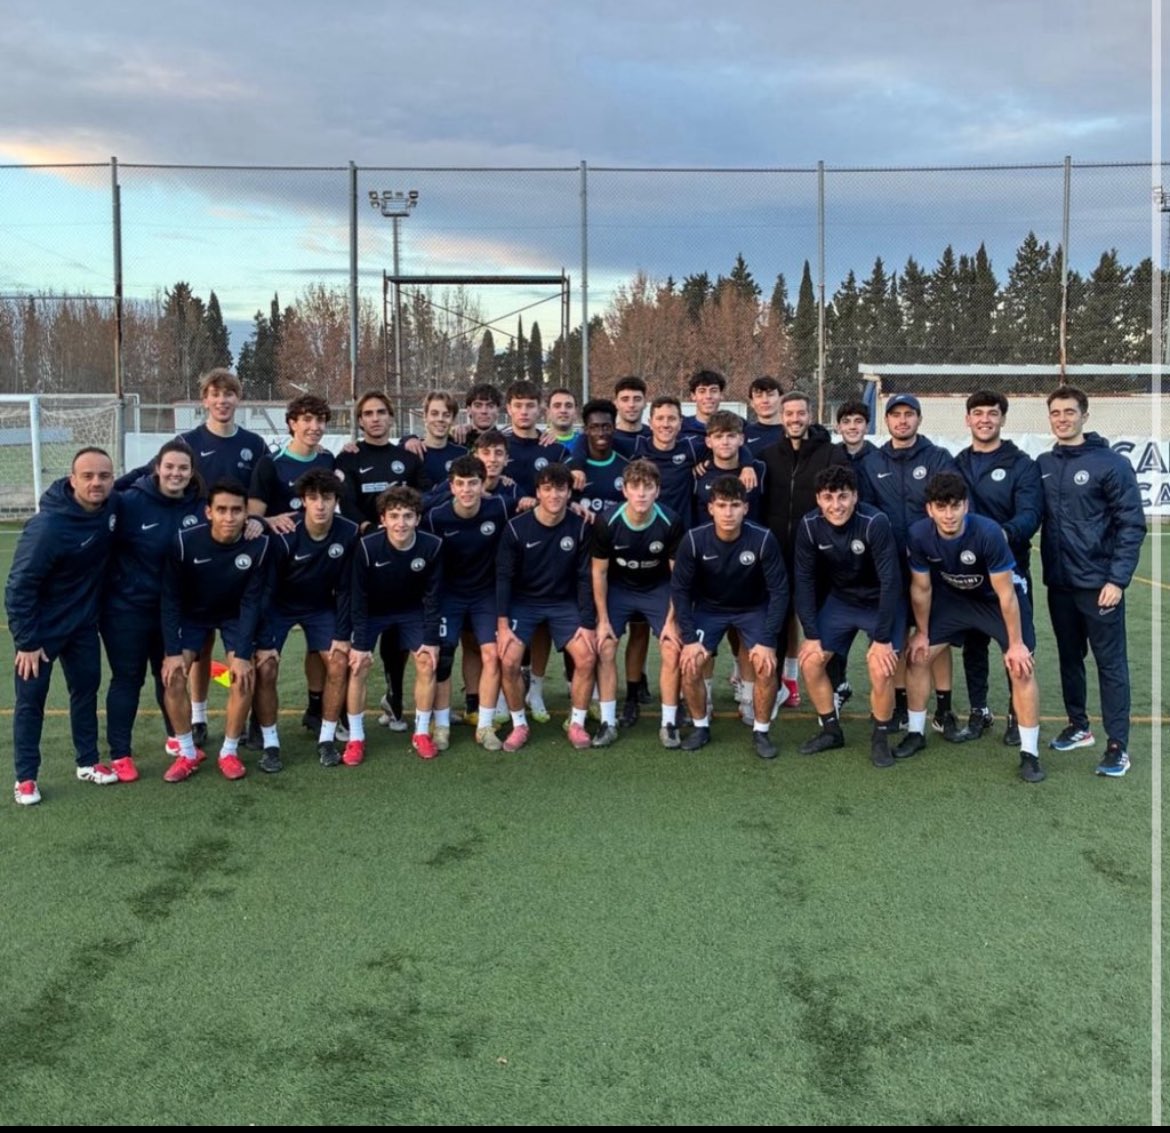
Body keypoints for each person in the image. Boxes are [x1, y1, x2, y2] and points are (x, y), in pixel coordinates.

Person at [897, 473, 1046, 783]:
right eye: (942, 507)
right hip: (955, 601)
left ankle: (1030, 754)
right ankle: (915, 732)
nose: (949, 515)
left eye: (955, 506)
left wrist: (1016, 643)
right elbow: (921, 589)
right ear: (930, 509)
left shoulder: (988, 533)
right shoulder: (919, 534)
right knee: (918, 655)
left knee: (1022, 668)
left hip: (994, 602)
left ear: (966, 506)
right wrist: (922, 632)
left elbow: (1006, 594)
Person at [1037, 385, 1146, 777]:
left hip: (1100, 585)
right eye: (1056, 413)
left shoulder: (1110, 464)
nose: (1062, 419)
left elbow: (1132, 525)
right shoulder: (1044, 464)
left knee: (1110, 664)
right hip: (1060, 584)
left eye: (1069, 412)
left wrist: (1117, 580)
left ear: (1085, 415)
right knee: (1069, 656)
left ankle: (1117, 745)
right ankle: (1079, 725)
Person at [8, 448, 121, 805]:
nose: (96, 482)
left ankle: (87, 762)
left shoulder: (111, 508)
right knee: (31, 702)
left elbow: (148, 476)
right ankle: (26, 777)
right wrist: (27, 640)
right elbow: (19, 585)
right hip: (40, 633)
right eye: (87, 476)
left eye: (103, 475)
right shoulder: (48, 527)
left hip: (83, 625)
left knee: (86, 691)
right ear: (72, 480)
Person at [101, 439, 206, 782]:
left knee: (170, 677)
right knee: (128, 680)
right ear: (157, 468)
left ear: (192, 474)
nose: (176, 473)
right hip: (127, 610)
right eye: (170, 466)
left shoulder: (199, 507)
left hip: (173, 612)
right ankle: (120, 754)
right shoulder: (129, 502)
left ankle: (177, 738)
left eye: (183, 468)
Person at [856, 393, 960, 735]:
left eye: (909, 414)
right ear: (886, 421)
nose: (902, 420)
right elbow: (866, 513)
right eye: (896, 415)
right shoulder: (872, 463)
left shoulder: (938, 457)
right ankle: (900, 704)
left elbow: (951, 505)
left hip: (934, 564)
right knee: (898, 634)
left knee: (935, 635)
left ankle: (944, 708)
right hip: (890, 568)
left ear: (919, 419)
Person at [160, 480, 274, 782]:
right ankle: (187, 752)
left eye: (236, 510)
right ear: (208, 512)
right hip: (193, 615)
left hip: (235, 616)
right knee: (172, 676)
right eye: (221, 510)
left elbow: (252, 602)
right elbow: (170, 599)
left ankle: (229, 751)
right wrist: (172, 652)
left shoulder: (259, 545)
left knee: (244, 675)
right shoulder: (184, 542)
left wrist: (242, 654)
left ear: (246, 513)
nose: (229, 517)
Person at [793, 466, 903, 767]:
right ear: (818, 499)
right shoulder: (810, 524)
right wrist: (812, 635)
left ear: (855, 496)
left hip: (880, 601)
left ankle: (880, 737)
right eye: (828, 497)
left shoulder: (874, 522)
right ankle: (831, 730)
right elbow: (803, 580)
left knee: (880, 667)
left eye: (843, 496)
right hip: (842, 601)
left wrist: (881, 639)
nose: (836, 505)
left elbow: (891, 581)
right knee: (810, 661)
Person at [671, 476, 788, 758]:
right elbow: (680, 590)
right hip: (710, 609)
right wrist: (688, 638)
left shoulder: (762, 539)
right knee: (689, 663)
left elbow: (780, 592)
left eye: (735, 505)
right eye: (721, 505)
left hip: (752, 608)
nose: (728, 512)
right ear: (710, 508)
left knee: (765, 664)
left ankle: (761, 731)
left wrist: (768, 640)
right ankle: (700, 726)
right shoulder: (694, 540)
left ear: (746, 508)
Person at [952, 390, 1042, 745]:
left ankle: (1016, 714)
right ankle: (979, 712)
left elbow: (1031, 514)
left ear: (1003, 419)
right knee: (974, 646)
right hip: (967, 574)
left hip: (1010, 571)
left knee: (1016, 646)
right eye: (978, 413)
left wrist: (1000, 534)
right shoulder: (957, 463)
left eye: (992, 413)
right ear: (968, 420)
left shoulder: (1022, 464)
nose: (985, 419)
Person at [253, 470, 359, 771]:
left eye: (327, 498)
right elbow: (266, 589)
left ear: (336, 500)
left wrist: (342, 633)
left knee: (339, 661)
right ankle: (270, 743)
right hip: (279, 607)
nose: (320, 505)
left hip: (320, 607)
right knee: (266, 666)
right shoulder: (285, 534)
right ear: (302, 502)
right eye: (313, 498)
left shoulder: (348, 532)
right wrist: (263, 641)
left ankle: (326, 738)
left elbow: (347, 589)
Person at [495, 463, 598, 751]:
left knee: (587, 657)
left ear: (569, 493)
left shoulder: (579, 527)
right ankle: (519, 725)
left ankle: (576, 723)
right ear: (538, 492)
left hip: (563, 603)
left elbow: (584, 578)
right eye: (547, 489)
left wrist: (588, 624)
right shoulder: (516, 527)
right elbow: (503, 577)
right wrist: (502, 626)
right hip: (523, 603)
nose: (554, 495)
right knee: (509, 660)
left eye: (560, 489)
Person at [758, 390, 848, 708]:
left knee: (824, 624)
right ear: (782, 418)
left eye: (800, 413)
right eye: (789, 414)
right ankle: (777, 688)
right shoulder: (768, 455)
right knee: (779, 621)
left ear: (809, 415)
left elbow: (842, 501)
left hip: (820, 556)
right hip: (778, 556)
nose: (795, 419)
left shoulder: (830, 454)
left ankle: (834, 688)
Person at [591, 459, 685, 748]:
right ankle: (608, 722)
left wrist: (671, 621)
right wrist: (603, 619)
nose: (641, 494)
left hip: (657, 588)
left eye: (648, 487)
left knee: (671, 646)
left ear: (658, 491)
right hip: (621, 588)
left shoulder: (670, 521)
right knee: (605, 645)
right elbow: (599, 571)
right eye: (635, 487)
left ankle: (669, 723)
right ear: (625, 490)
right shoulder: (607, 521)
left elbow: (678, 578)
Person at [345, 487, 443, 763]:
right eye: (394, 516)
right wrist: (360, 644)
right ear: (383, 519)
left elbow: (433, 597)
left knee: (427, 661)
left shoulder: (432, 546)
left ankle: (421, 733)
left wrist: (432, 639)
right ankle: (355, 738)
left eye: (408, 516)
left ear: (418, 519)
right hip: (373, 611)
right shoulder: (367, 546)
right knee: (359, 665)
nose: (401, 523)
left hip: (411, 611)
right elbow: (358, 598)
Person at [423, 456, 513, 751]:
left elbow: (530, 505)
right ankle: (442, 726)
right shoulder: (436, 517)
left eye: (473, 483)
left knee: (492, 655)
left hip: (485, 595)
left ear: (483, 484)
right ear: (451, 486)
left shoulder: (498, 507)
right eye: (460, 484)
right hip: (450, 595)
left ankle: (485, 725)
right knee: (444, 657)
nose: (467, 490)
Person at [744, 375, 784, 456]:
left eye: (770, 395)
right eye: (759, 396)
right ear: (752, 402)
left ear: (781, 399)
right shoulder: (743, 434)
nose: (765, 400)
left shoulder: (793, 433)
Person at [680, 369, 726, 437]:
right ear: (693, 396)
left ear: (721, 395)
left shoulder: (734, 426)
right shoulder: (681, 427)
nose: (708, 396)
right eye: (702, 391)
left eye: (713, 391)